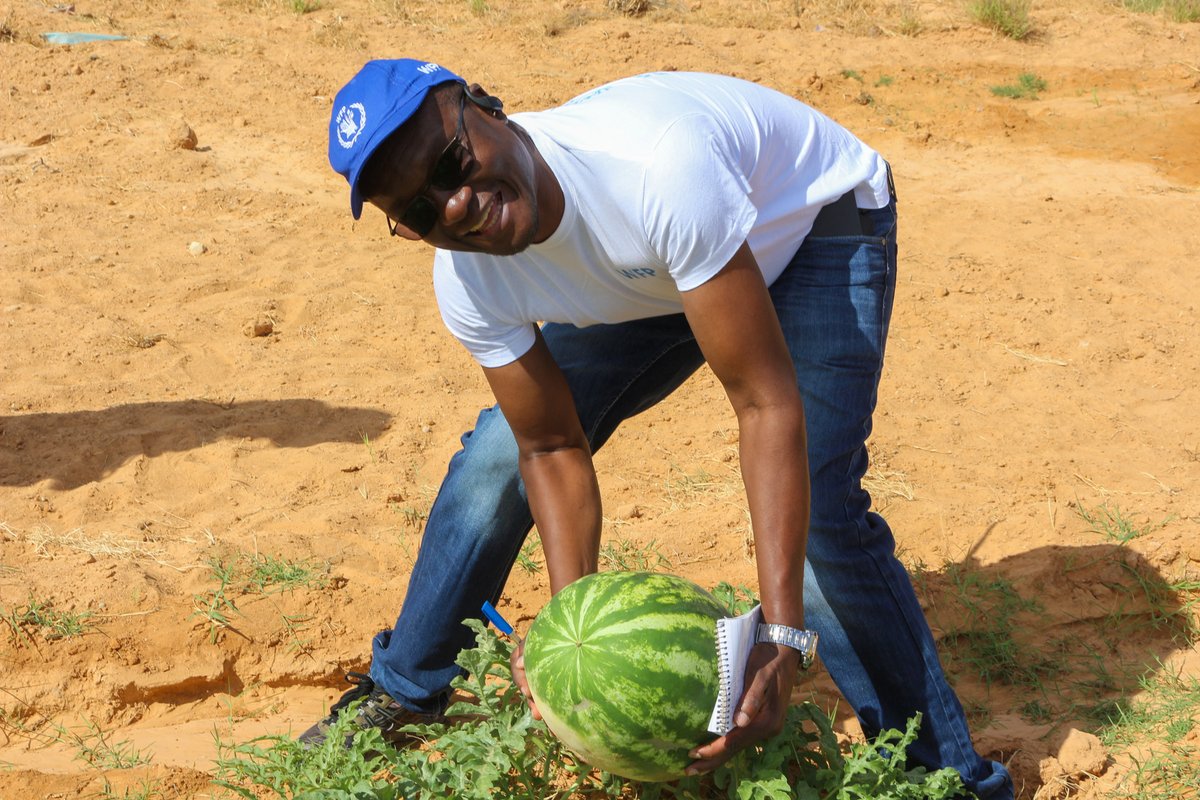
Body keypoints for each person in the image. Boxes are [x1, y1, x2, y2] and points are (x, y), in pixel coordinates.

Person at [306, 57, 1013, 798]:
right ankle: (409, 685)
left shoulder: (652, 167)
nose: (454, 208)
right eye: (420, 211)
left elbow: (765, 404)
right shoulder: (469, 278)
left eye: (452, 165)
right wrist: (571, 645)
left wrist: (780, 636)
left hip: (807, 227)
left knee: (819, 514)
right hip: (658, 274)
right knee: (496, 457)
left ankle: (946, 780)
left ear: (485, 108)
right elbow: (549, 445)